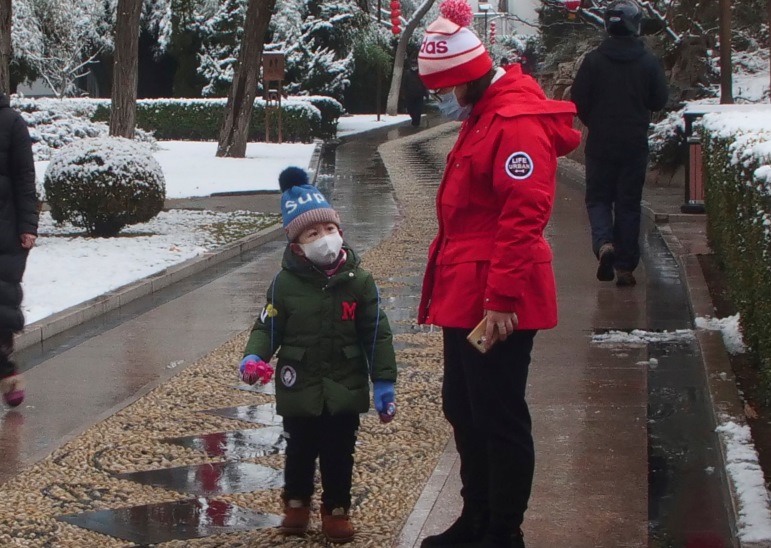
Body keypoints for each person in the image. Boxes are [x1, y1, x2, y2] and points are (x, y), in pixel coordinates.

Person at [416, 1, 580, 546]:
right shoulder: (486, 116)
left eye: (441, 89)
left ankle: (504, 530)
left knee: (497, 413)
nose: (439, 100)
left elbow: (523, 213)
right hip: (469, 288)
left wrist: (502, 298)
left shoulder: (515, 123)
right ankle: (477, 517)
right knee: (463, 405)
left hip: (498, 294)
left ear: (464, 80)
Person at [238, 167, 397, 545]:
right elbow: (267, 325)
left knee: (340, 451)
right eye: (312, 233)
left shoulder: (360, 281)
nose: (323, 239)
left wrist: (384, 382)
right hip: (300, 382)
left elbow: (377, 333)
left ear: (339, 231)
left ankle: (336, 509)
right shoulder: (284, 283)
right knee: (299, 447)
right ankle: (296, 504)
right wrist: (252, 357)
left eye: (328, 229)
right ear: (297, 245)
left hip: (345, 380)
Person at [570, 0, 669, 287]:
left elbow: (578, 101)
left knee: (599, 198)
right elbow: (659, 99)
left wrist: (595, 122)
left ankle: (604, 243)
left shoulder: (593, 61)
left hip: (601, 142)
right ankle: (626, 267)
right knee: (628, 203)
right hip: (634, 143)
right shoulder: (648, 61)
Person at [0, 93, 38, 408]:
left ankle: (7, 368)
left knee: (2, 303)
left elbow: (25, 178)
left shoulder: (11, 123)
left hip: (4, 229)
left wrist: (28, 225)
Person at [402, 59, 429, 126]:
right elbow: (404, 84)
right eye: (413, 65)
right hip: (409, 95)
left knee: (418, 109)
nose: (414, 66)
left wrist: (426, 94)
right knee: (410, 109)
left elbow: (424, 84)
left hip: (419, 95)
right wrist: (404, 93)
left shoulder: (420, 73)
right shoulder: (407, 73)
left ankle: (416, 123)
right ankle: (414, 119)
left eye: (415, 65)